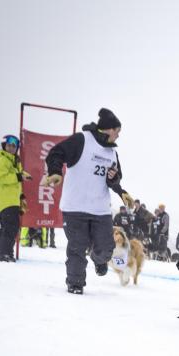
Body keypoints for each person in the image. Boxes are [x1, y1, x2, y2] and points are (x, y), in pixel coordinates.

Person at [42, 108, 134, 294]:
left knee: (106, 248)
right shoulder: (82, 140)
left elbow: (114, 178)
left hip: (100, 210)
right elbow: (56, 153)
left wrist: (118, 186)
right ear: (109, 129)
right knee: (77, 247)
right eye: (117, 131)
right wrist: (55, 171)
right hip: (75, 207)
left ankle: (98, 259)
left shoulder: (112, 152)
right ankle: (75, 284)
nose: (118, 136)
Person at [0, 134, 30, 262]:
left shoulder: (15, 160)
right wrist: (19, 176)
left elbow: (17, 181)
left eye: (14, 146)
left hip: (13, 198)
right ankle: (5, 253)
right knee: (11, 227)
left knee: (6, 227)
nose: (11, 148)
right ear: (4, 146)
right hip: (6, 198)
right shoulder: (2, 158)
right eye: (9, 145)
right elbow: (2, 178)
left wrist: (21, 196)